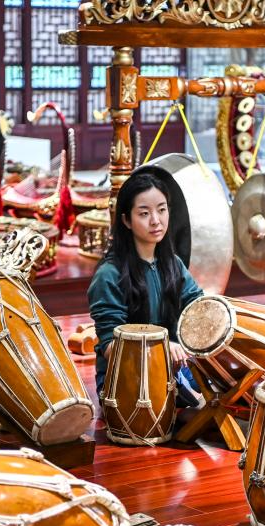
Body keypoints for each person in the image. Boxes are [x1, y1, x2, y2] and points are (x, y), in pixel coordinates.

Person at [87, 171, 204, 405]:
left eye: (161, 209)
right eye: (144, 213)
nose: (156, 220)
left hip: (174, 371)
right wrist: (161, 347)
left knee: (225, 391)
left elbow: (197, 308)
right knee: (199, 409)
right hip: (124, 379)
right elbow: (111, 347)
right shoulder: (109, 274)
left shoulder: (173, 264)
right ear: (126, 221)